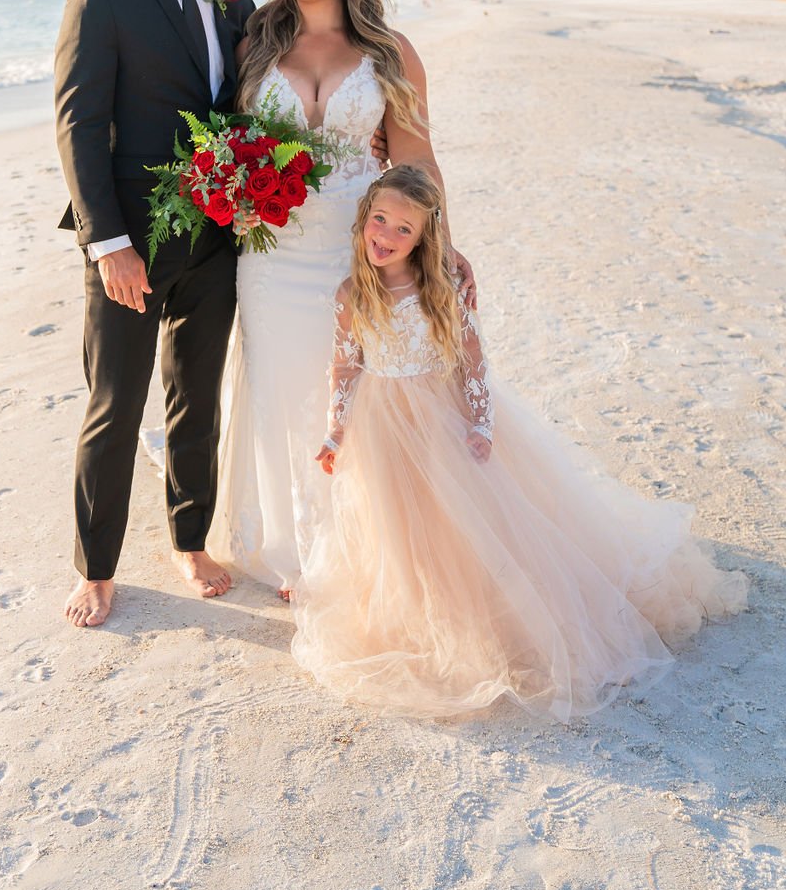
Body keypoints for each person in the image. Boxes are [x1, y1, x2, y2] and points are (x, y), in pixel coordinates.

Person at [292, 165, 748, 722]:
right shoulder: (351, 294)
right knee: (399, 527)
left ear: (424, 237)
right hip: (382, 426)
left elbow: (469, 359)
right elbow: (345, 365)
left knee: (467, 521)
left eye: (403, 230)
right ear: (364, 219)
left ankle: (492, 621)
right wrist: (335, 430)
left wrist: (480, 422)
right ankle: (419, 624)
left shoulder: (439, 289)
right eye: (380, 221)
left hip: (440, 418)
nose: (386, 236)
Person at [209, 0, 475, 597]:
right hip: (271, 256)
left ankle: (360, 546)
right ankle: (295, 551)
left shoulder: (390, 52)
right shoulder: (255, 49)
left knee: (362, 398)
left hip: (361, 252)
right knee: (282, 387)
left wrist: (439, 247)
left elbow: (416, 161)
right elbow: (234, 150)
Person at [54, 0, 255, 628]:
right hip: (129, 247)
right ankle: (96, 566)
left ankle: (189, 538)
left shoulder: (234, 2)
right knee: (114, 404)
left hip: (214, 244)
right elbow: (78, 123)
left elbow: (239, 112)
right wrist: (108, 243)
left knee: (197, 397)